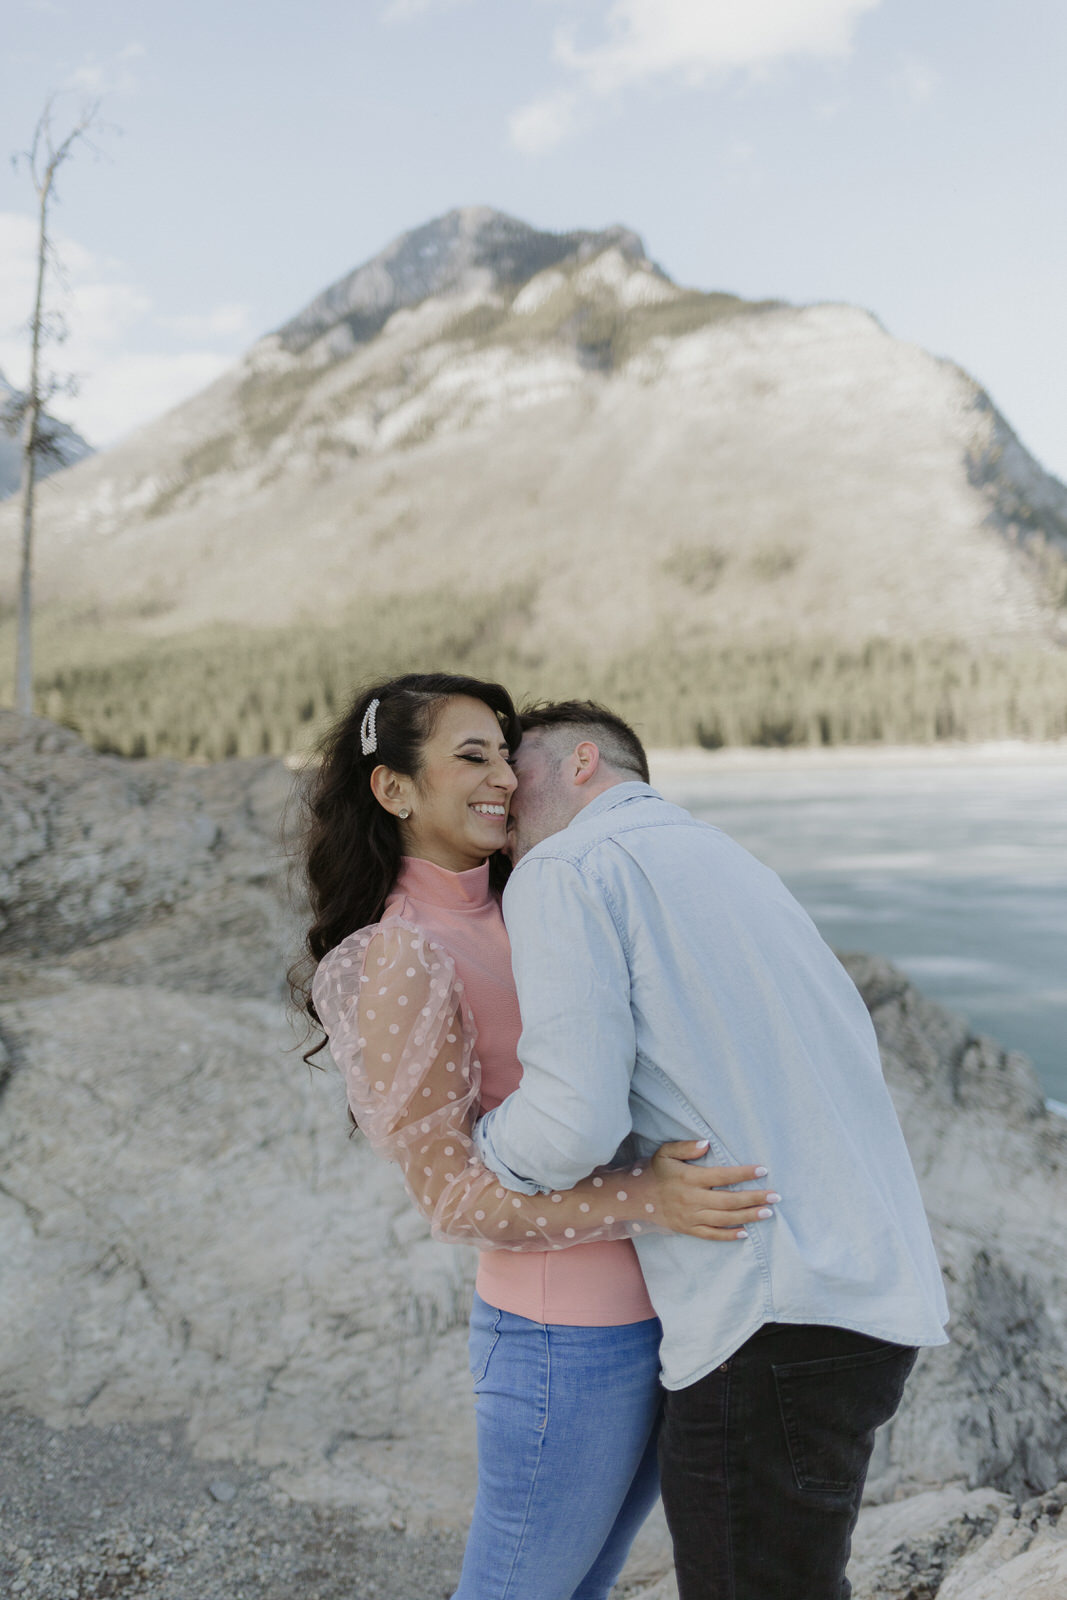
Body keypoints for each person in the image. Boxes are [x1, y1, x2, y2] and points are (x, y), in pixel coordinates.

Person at [291, 673, 778, 1600]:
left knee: (581, 1589)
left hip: (667, 1309)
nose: (504, 779)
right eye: (470, 758)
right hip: (563, 1338)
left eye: (505, 758)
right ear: (393, 790)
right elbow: (455, 1199)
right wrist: (652, 1196)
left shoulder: (534, 897)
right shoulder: (399, 952)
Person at [473, 700, 950, 1600]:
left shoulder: (566, 867)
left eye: (513, 763)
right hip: (858, 1288)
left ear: (582, 762)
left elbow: (571, 1117)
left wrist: (478, 1152)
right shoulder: (725, 860)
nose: (498, 790)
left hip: (768, 1307)